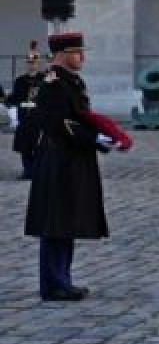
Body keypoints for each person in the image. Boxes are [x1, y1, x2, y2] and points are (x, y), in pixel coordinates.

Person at [25, 31, 131, 300]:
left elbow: (82, 116)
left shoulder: (71, 81)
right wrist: (94, 138)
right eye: (76, 52)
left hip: (72, 159)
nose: (82, 57)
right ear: (61, 55)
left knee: (67, 221)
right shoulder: (53, 84)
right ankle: (53, 284)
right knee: (56, 222)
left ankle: (63, 278)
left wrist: (103, 135)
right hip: (58, 159)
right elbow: (60, 124)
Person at [7, 43, 44, 180]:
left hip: (38, 119)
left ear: (38, 63)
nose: (31, 64)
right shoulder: (20, 81)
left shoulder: (43, 80)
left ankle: (37, 171)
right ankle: (28, 171)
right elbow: (15, 98)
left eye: (34, 62)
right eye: (29, 62)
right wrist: (7, 100)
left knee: (38, 147)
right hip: (24, 118)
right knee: (25, 147)